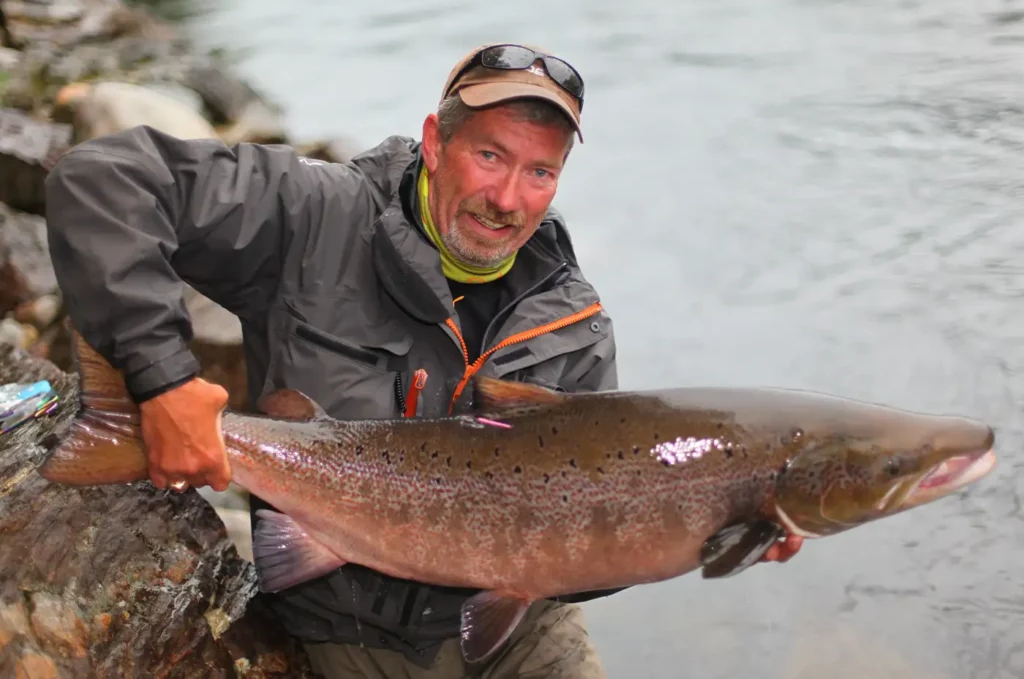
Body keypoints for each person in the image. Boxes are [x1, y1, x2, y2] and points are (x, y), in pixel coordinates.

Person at [44, 43, 802, 678]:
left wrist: (714, 529)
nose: (508, 197)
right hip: (342, 631)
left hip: (516, 639)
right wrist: (162, 380)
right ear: (436, 141)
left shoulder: (576, 326)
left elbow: (583, 551)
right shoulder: (313, 216)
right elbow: (101, 181)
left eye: (540, 172)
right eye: (489, 155)